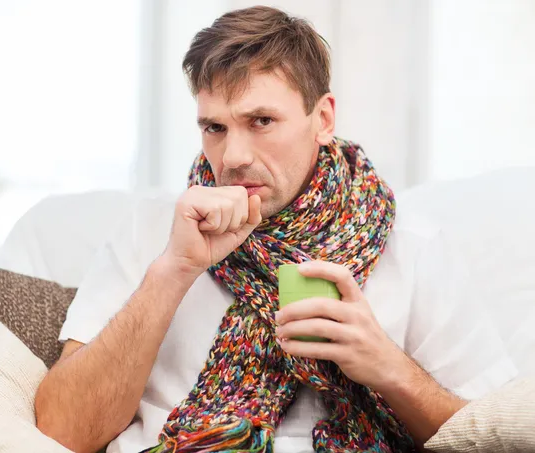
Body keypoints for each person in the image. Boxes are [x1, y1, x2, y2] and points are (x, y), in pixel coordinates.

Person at [34, 6, 517, 453]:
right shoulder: (152, 229)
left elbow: (495, 436)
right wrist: (173, 272)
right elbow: (62, 432)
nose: (234, 156)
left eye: (261, 120)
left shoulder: (412, 246)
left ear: (323, 118)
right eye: (215, 128)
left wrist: (389, 367)